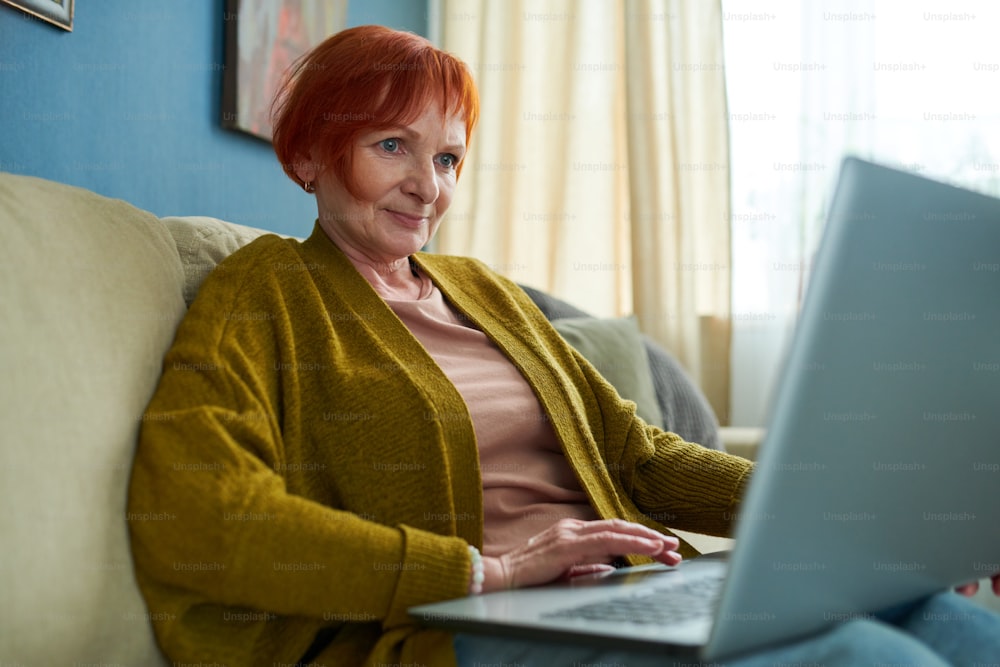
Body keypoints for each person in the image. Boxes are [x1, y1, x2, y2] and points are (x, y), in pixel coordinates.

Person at [127, 24, 1000, 667]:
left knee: (948, 622)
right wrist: (492, 570)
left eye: (449, 160)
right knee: (870, 659)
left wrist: (845, 518)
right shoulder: (264, 291)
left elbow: (642, 458)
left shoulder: (487, 292)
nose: (427, 187)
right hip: (457, 627)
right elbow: (201, 516)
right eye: (393, 146)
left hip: (617, 595)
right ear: (311, 153)